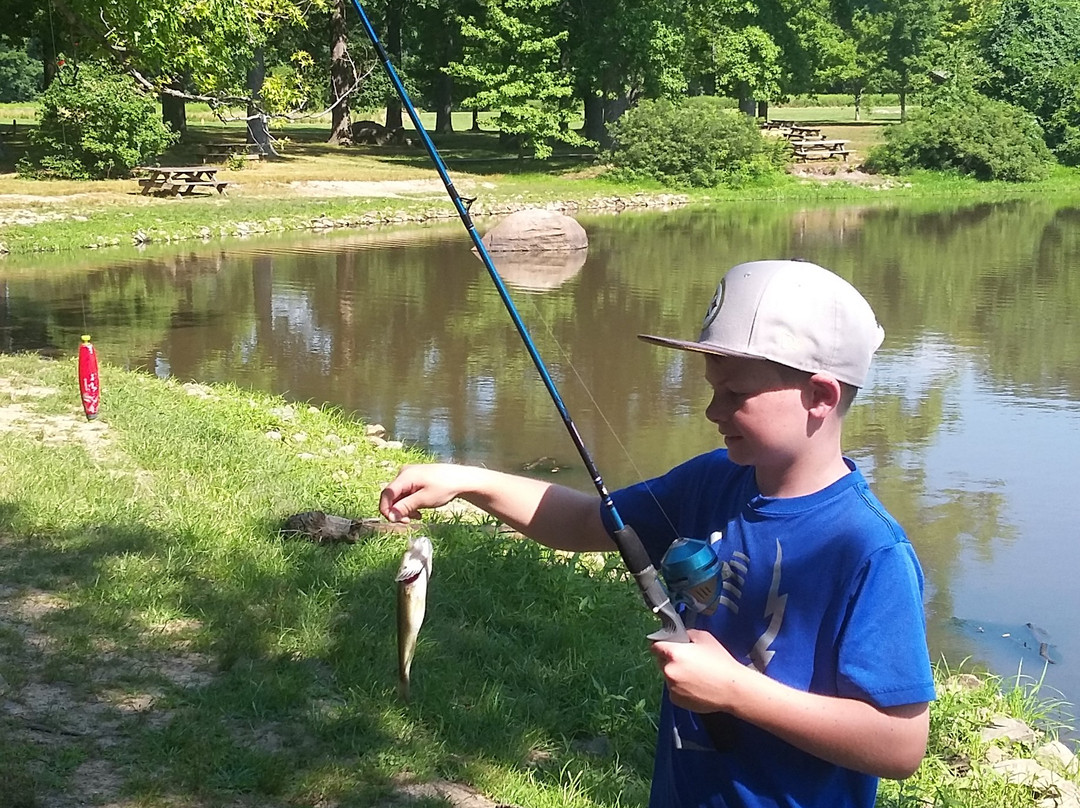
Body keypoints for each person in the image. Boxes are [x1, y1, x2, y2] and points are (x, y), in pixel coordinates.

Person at [379, 259, 936, 808]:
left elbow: (899, 743)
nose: (712, 409)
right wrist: (467, 480)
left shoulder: (867, 549)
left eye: (734, 394)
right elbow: (579, 521)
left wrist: (737, 692)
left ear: (820, 396)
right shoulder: (714, 480)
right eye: (713, 388)